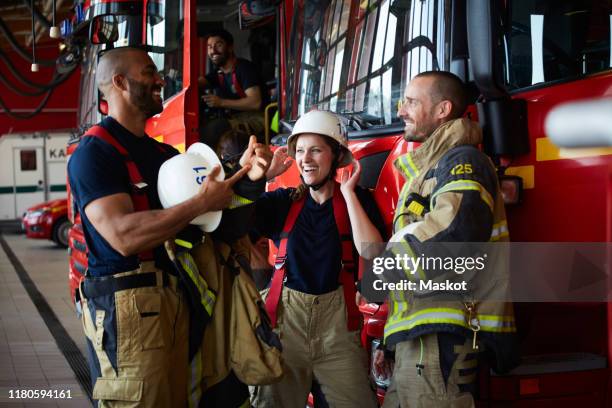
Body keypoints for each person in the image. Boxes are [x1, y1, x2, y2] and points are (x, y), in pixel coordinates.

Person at [67, 47, 253, 407]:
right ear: (120, 82)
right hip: (127, 307)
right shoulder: (95, 153)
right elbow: (124, 235)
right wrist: (201, 202)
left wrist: (250, 179)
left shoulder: (165, 156)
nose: (160, 80)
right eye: (149, 72)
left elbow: (211, 222)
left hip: (175, 300)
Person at [373, 71, 518, 407]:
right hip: (423, 343)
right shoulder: (428, 169)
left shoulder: (461, 161)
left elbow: (456, 236)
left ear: (442, 110)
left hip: (443, 341)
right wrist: (390, 340)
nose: (401, 110)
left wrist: (382, 271)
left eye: (411, 101)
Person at [251, 110, 383, 408]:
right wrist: (259, 182)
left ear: (336, 156)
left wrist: (348, 194)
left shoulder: (357, 200)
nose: (305, 159)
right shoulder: (282, 203)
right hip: (285, 330)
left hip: (338, 336)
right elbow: (231, 224)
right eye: (299, 151)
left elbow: (373, 251)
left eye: (315, 150)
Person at [199, 28, 266, 148]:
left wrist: (220, 102)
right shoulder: (219, 73)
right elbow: (199, 83)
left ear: (230, 47)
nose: (213, 51)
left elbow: (255, 102)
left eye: (218, 45)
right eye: (209, 47)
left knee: (214, 130)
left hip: (257, 118)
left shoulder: (244, 68)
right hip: (234, 118)